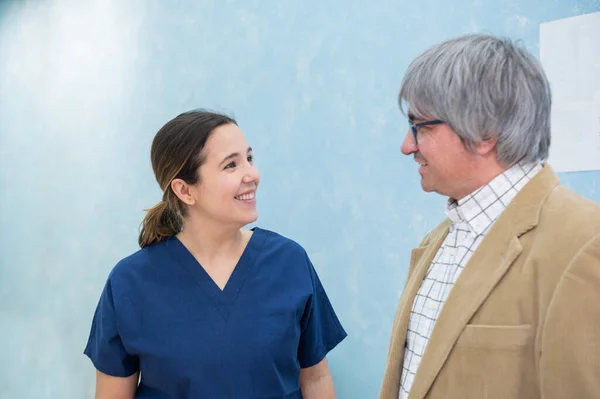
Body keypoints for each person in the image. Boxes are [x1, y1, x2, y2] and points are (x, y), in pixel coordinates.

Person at [379, 33, 600, 399]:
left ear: (484, 132)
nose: (407, 145)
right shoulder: (438, 241)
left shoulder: (585, 245)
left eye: (422, 126)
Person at [84, 110, 347, 398]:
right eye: (231, 165)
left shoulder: (289, 262)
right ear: (185, 190)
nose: (252, 174)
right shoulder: (130, 283)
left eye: (249, 158)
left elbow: (317, 377)